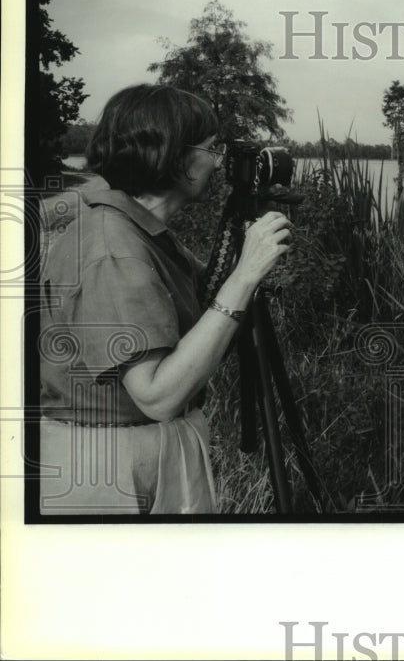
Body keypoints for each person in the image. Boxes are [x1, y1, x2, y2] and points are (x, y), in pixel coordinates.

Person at [38, 84, 292, 514]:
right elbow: (157, 396)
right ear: (173, 156)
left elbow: (206, 319)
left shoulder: (140, 230)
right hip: (115, 470)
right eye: (211, 149)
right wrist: (246, 274)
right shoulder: (114, 248)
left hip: (141, 453)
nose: (218, 162)